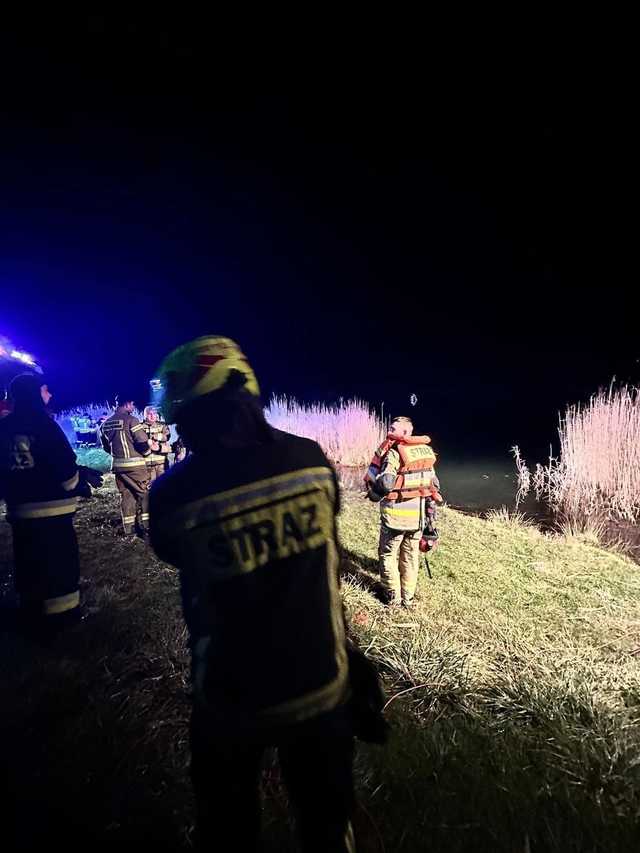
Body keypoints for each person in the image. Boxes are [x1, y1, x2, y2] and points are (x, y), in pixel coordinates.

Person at [149, 336, 356, 852]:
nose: (177, 428)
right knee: (326, 819)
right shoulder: (310, 460)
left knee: (228, 826)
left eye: (182, 417)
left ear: (197, 411)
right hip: (320, 682)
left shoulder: (174, 493)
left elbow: (175, 552)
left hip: (230, 696)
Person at [0, 373, 81, 633]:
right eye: (45, 391)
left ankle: (31, 614)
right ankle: (65, 620)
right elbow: (65, 465)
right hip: (53, 511)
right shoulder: (44, 424)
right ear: (34, 393)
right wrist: (76, 483)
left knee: (28, 563)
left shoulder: (4, 426)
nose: (49, 396)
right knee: (60, 564)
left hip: (19, 511)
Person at [369, 416, 441, 607]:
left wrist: (373, 495)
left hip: (395, 518)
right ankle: (408, 599)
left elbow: (385, 483)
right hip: (417, 519)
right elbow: (434, 484)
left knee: (388, 555)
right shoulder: (425, 453)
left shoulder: (394, 452)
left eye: (394, 429)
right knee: (410, 557)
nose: (389, 432)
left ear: (406, 433)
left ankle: (392, 598)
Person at [100, 396, 152, 537]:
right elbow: (142, 442)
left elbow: (106, 447)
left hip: (118, 467)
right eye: (133, 404)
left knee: (126, 495)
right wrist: (147, 453)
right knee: (145, 494)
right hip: (135, 467)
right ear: (127, 403)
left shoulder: (105, 424)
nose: (134, 407)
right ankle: (148, 526)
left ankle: (129, 529)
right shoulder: (132, 420)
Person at [141, 405, 171, 482]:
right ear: (145, 415)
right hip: (147, 464)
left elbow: (167, 436)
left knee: (164, 485)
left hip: (161, 463)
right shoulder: (139, 427)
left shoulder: (162, 425)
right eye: (149, 414)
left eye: (154, 413)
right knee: (150, 488)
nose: (152, 416)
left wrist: (156, 436)